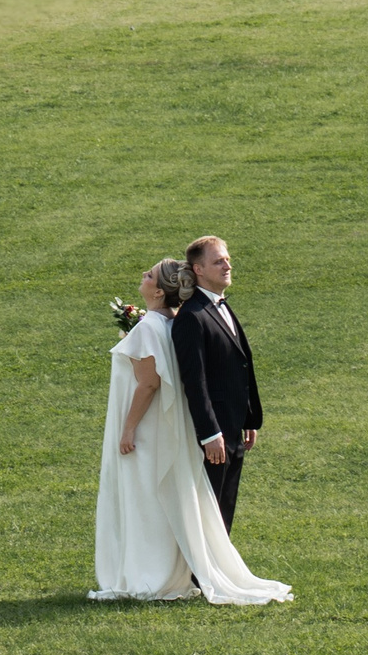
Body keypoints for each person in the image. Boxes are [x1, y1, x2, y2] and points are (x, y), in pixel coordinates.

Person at [90, 258, 291, 605]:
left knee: (146, 497)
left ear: (157, 291)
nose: (142, 275)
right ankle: (172, 570)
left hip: (150, 430)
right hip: (169, 427)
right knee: (166, 497)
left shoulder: (151, 327)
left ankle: (151, 575)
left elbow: (148, 384)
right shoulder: (171, 322)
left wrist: (128, 428)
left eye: (149, 274)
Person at [170, 235, 261, 531]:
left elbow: (236, 365)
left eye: (227, 259)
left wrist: (248, 417)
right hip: (215, 435)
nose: (227, 265)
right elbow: (193, 381)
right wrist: (210, 434)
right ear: (198, 270)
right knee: (208, 509)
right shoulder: (192, 317)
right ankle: (201, 575)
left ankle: (216, 572)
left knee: (225, 506)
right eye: (218, 261)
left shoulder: (219, 306)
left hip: (233, 428)